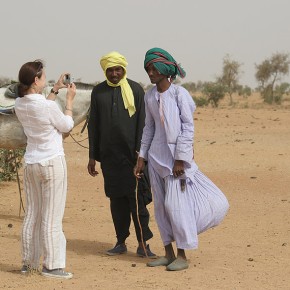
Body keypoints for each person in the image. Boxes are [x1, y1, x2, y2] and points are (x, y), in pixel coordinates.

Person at [134, 48, 229, 271]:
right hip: (155, 161)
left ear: (165, 70)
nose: (150, 72)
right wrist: (141, 157)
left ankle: (182, 256)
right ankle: (167, 253)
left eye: (153, 68)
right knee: (161, 208)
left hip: (175, 163)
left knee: (176, 207)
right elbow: (149, 128)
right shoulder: (149, 96)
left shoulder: (179, 94)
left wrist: (180, 159)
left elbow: (188, 127)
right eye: (148, 68)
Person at [87, 51, 156, 258]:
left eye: (118, 69)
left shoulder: (135, 89)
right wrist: (92, 155)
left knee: (138, 202)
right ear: (105, 71)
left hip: (133, 159)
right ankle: (120, 242)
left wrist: (141, 155)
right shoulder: (98, 92)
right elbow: (94, 125)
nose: (114, 73)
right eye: (110, 70)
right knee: (117, 202)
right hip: (109, 158)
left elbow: (143, 124)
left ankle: (143, 244)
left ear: (123, 69)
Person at [14, 60, 76, 279]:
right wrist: (68, 102)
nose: (45, 80)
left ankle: (29, 263)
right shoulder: (47, 106)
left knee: (33, 214)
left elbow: (41, 110)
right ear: (36, 80)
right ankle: (53, 266)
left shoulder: (20, 104)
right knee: (52, 216)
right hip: (51, 162)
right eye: (44, 78)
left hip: (31, 163)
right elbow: (66, 125)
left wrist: (56, 89)